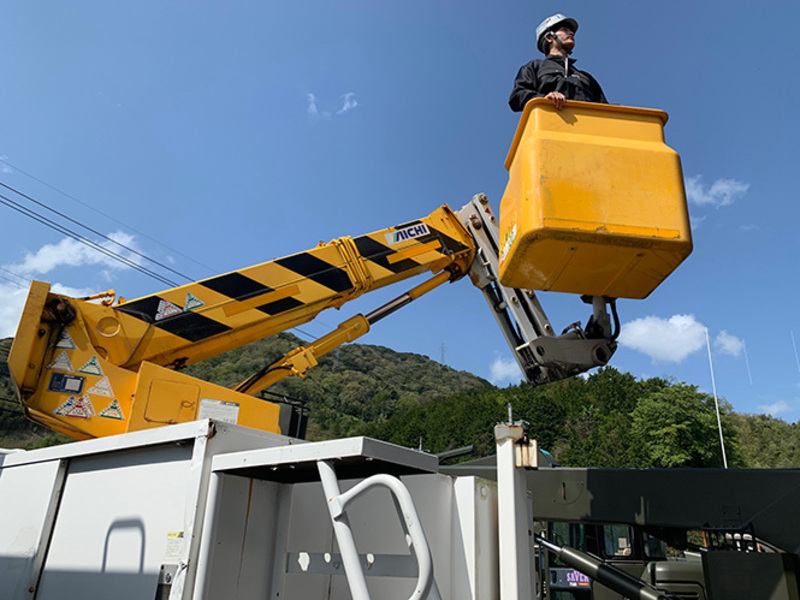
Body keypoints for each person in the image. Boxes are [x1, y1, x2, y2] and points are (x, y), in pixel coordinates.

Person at [509, 13, 607, 112]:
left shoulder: (586, 77)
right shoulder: (535, 67)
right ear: (549, 37)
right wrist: (544, 99)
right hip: (550, 121)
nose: (571, 33)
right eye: (564, 30)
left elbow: (605, 110)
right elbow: (517, 97)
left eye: (571, 31)